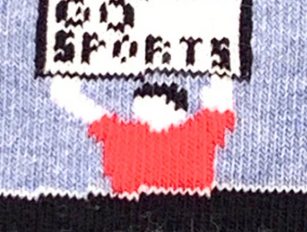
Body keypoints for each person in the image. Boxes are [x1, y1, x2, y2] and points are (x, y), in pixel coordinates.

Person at [50, 76, 236, 193]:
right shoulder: (124, 136)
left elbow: (83, 108)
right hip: (138, 214)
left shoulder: (196, 134)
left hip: (186, 212)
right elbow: (220, 105)